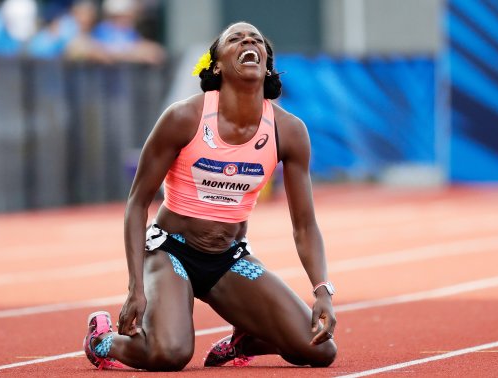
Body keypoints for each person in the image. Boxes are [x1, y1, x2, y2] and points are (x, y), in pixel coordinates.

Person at [83, 21, 337, 371]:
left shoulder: (288, 131)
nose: (249, 41)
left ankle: (245, 339)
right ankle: (104, 340)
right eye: (236, 38)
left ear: (266, 64)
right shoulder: (184, 117)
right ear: (216, 64)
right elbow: (137, 203)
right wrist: (135, 289)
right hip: (170, 251)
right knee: (169, 355)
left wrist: (322, 289)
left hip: (228, 260)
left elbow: (305, 225)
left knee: (320, 350)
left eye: (257, 40)